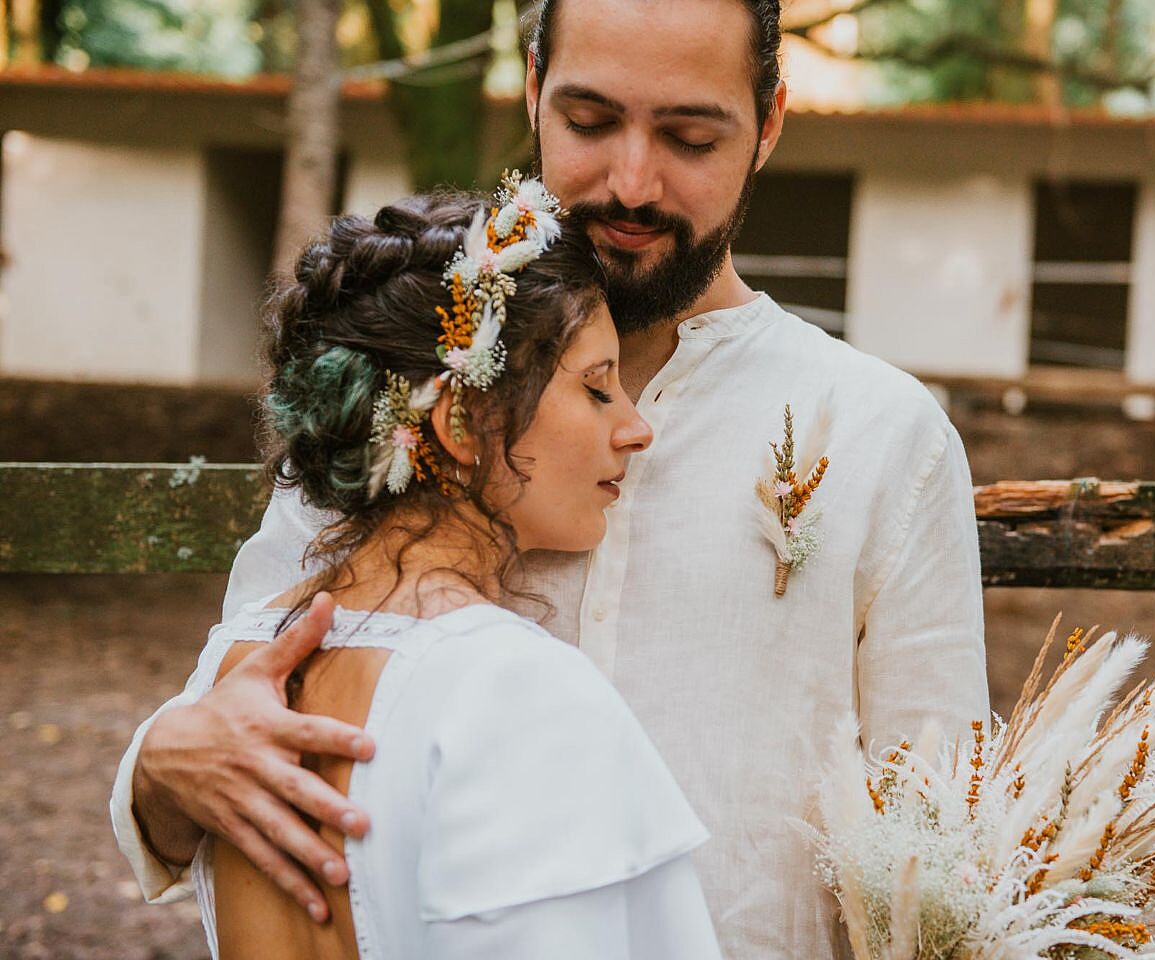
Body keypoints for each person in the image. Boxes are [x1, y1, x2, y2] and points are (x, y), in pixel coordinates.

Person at [113, 0, 990, 955]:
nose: (631, 180)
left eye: (691, 136)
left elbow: (937, 841)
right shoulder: (401, 392)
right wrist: (161, 768)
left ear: (769, 122)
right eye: (589, 122)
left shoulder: (883, 433)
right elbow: (240, 697)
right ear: (533, 89)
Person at [119, 182, 724, 958]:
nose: (636, 428)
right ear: (463, 422)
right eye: (598, 386)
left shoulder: (240, 662)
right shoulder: (514, 687)